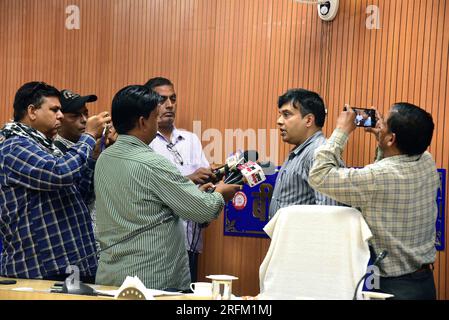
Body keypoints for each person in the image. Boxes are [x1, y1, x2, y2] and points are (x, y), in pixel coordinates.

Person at [94, 85, 240, 290]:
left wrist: (191, 195)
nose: (157, 122)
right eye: (155, 117)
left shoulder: (104, 158)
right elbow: (204, 210)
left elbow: (142, 207)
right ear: (143, 122)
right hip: (150, 279)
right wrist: (220, 193)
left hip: (111, 276)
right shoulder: (152, 162)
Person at [309, 103, 439, 300]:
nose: (380, 123)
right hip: (425, 283)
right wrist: (383, 141)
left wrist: (341, 131)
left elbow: (319, 175)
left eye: (384, 123)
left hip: (391, 288)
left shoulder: (376, 177)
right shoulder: (427, 160)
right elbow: (389, 168)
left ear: (392, 138)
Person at [0, 81, 110, 282]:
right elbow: (59, 173)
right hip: (38, 270)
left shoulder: (48, 148)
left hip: (69, 266)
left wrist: (93, 156)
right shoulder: (14, 146)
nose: (60, 115)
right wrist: (88, 136)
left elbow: (79, 196)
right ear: (32, 111)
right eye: (54, 109)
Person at [144, 77, 215, 283]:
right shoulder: (144, 141)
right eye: (162, 99)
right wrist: (189, 178)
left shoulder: (190, 139)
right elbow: (149, 187)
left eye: (173, 99)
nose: (169, 105)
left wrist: (211, 184)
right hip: (158, 243)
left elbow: (205, 182)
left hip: (190, 238)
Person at [268, 88, 341, 220]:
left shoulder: (319, 152)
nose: (279, 121)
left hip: (304, 240)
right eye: (280, 114)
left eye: (286, 114)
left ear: (308, 120)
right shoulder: (302, 150)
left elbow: (328, 213)